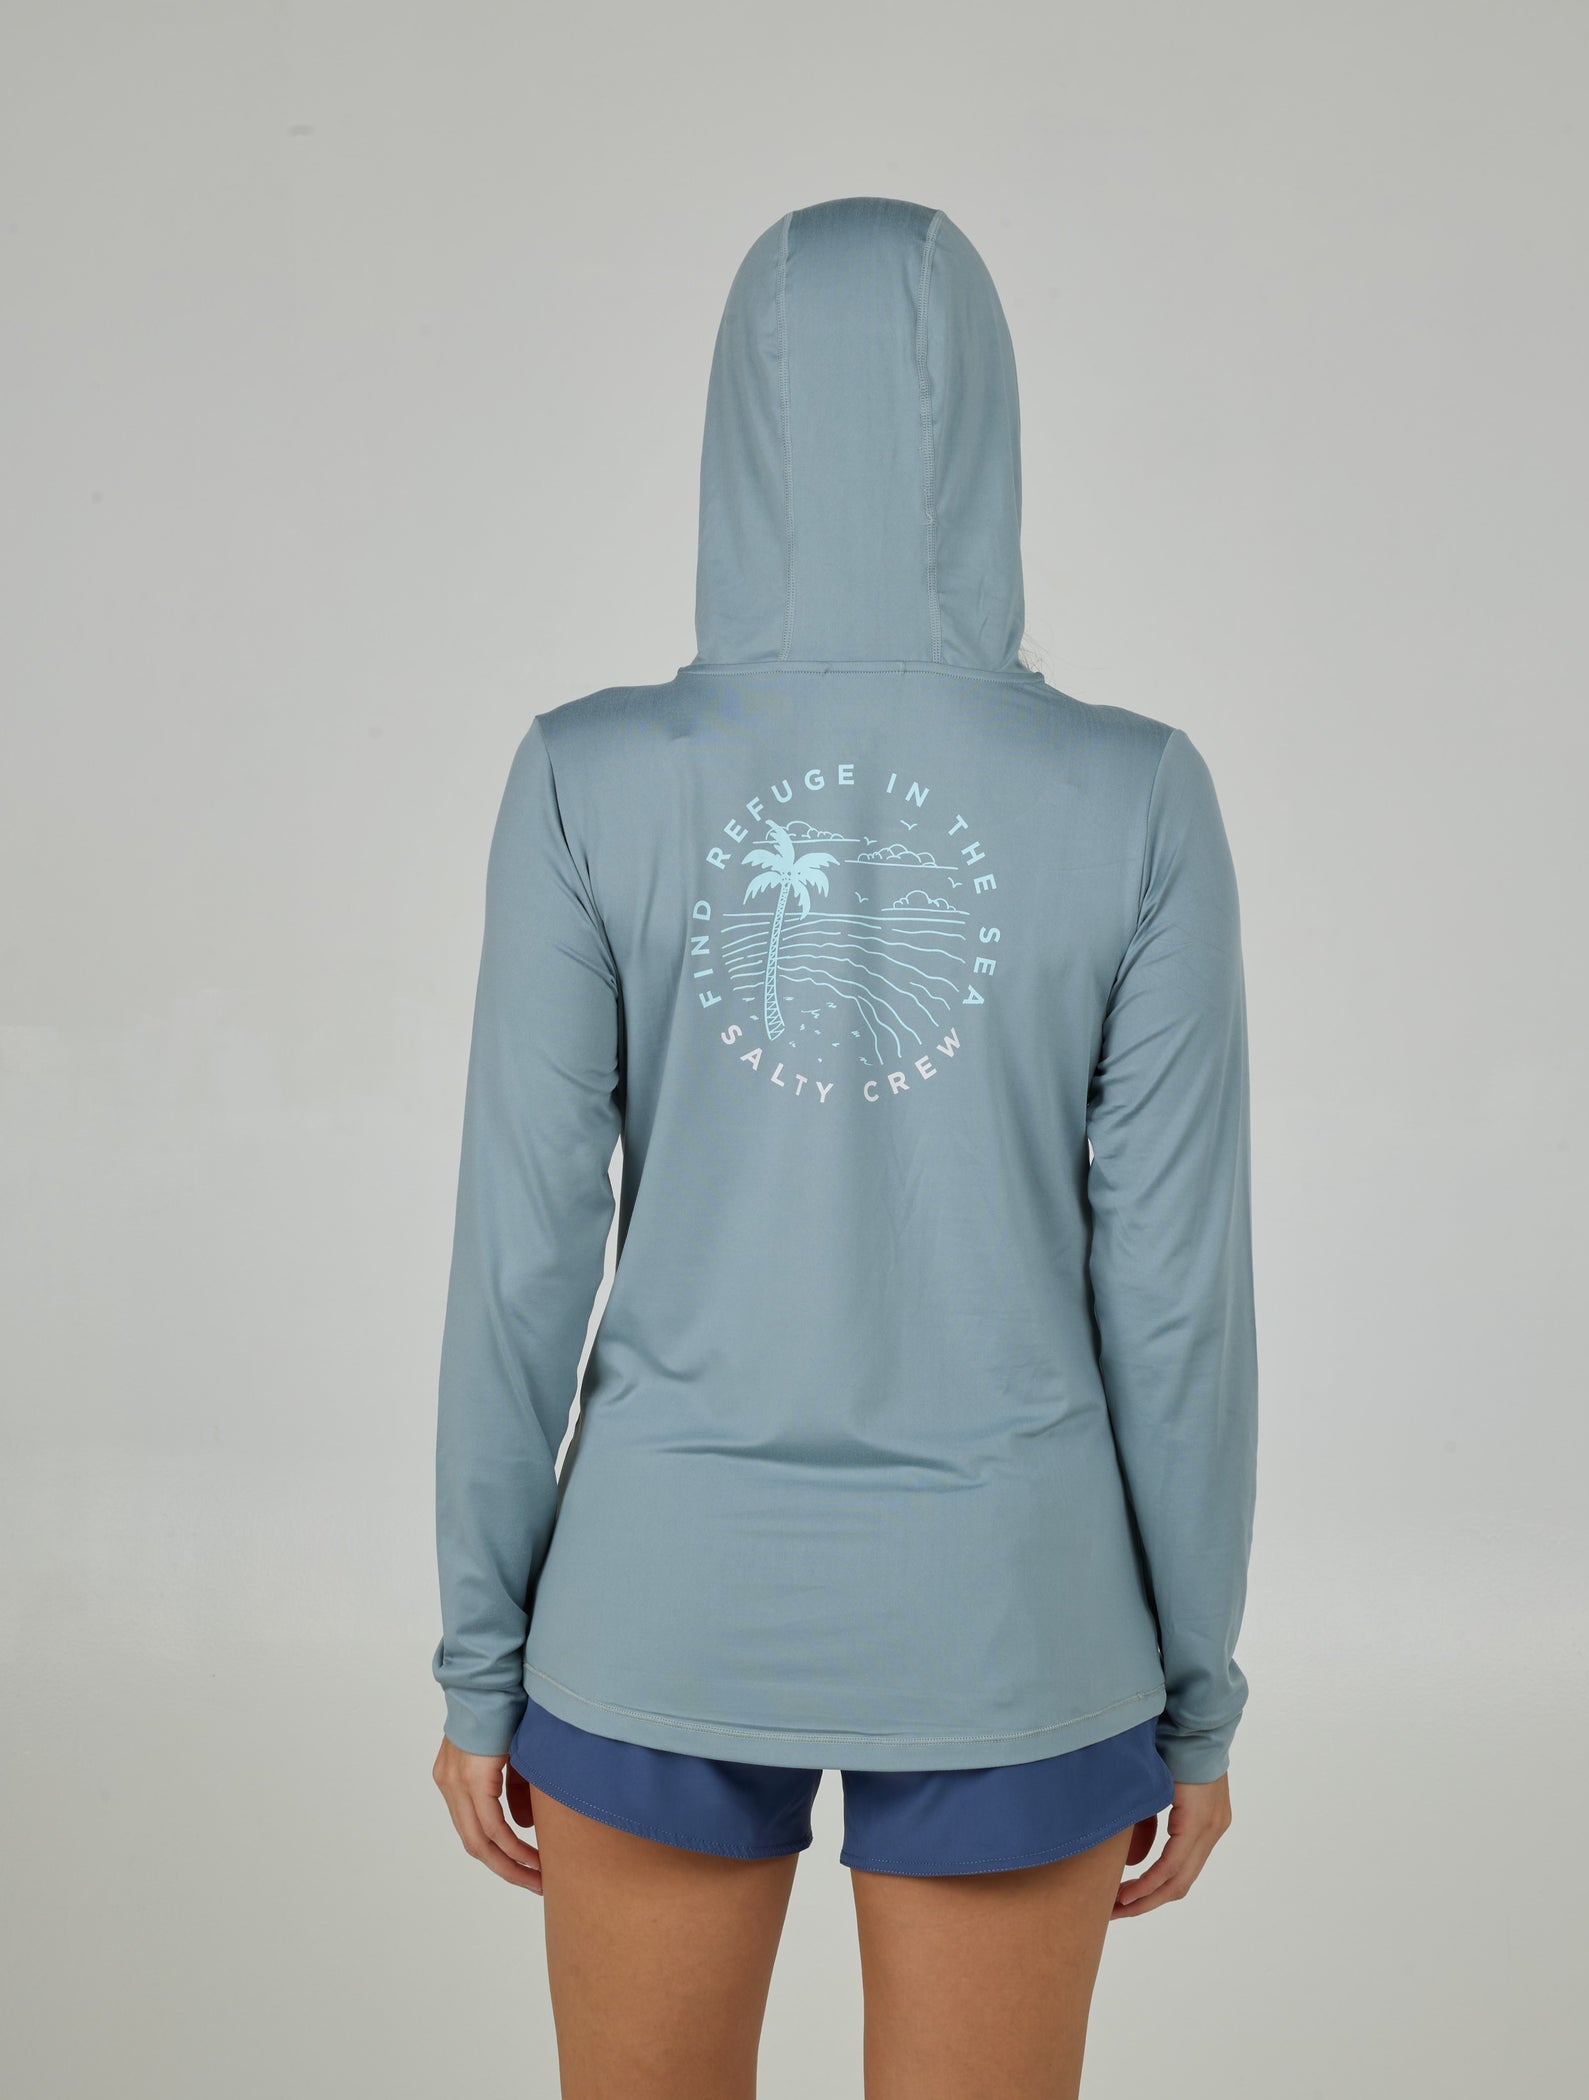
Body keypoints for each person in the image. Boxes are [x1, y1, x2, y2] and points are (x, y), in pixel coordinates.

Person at [430, 195, 1258, 2100]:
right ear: (990, 424)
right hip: (1013, 1613)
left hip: (659, 1590)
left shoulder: (588, 777)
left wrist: (482, 1656)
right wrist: (1195, 1691)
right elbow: (1176, 1297)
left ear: (738, 419)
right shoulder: (1134, 795)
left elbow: (520, 1256)